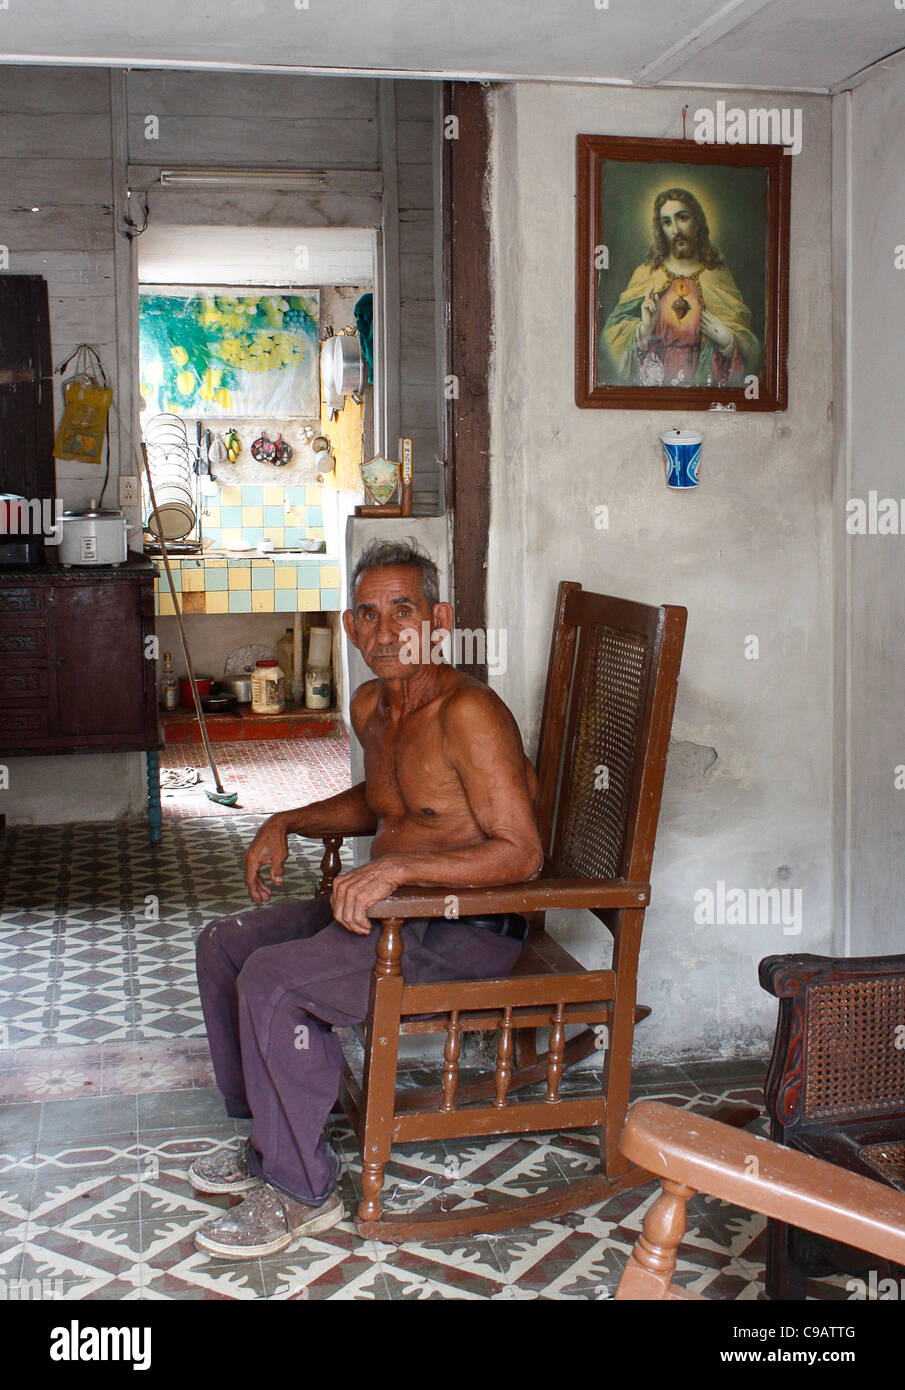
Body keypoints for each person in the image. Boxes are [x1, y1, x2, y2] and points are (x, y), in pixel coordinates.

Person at [190, 538, 543, 1259]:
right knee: (226, 944)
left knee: (275, 980)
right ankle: (267, 1139)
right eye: (368, 615)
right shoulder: (372, 706)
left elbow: (522, 853)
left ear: (439, 619)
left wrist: (393, 873)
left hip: (458, 928)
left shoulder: (468, 712)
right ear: (349, 626)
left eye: (403, 611)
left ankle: (298, 1190)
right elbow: (387, 803)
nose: (386, 632)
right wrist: (285, 820)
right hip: (388, 915)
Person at [600, 187, 761, 388]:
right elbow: (611, 338)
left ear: (697, 222)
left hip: (704, 385)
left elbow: (751, 347)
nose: (676, 229)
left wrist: (729, 341)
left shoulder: (717, 275)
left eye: (682, 217)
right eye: (667, 222)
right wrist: (643, 330)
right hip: (656, 384)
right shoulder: (646, 274)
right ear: (661, 229)